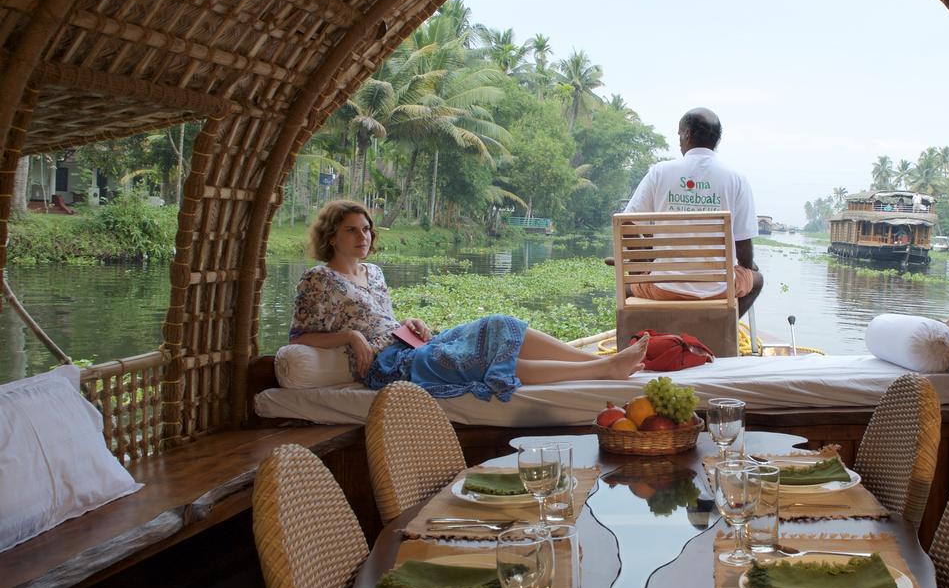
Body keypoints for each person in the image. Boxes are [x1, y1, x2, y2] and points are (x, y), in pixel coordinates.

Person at [290, 200, 648, 401]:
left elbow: (385, 320)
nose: (363, 236)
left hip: (408, 344)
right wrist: (352, 337)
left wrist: (410, 324)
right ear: (331, 236)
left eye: (366, 228)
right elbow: (300, 337)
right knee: (478, 356)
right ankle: (602, 369)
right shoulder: (320, 279)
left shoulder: (375, 273)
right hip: (387, 367)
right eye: (352, 229)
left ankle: (602, 359)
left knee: (499, 324)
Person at [621, 107, 764, 315]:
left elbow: (626, 223)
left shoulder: (660, 172)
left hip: (662, 288)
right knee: (757, 280)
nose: (679, 140)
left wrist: (644, 263)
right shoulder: (736, 179)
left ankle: (647, 338)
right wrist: (748, 268)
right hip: (720, 290)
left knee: (626, 288)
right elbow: (743, 246)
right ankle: (724, 328)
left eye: (679, 134)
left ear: (687, 134)